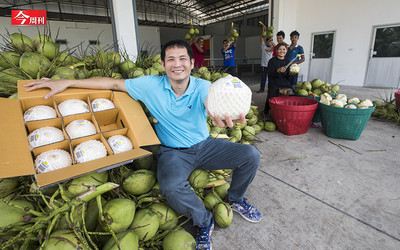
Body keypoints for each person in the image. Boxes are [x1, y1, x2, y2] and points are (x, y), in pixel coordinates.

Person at [25, 39, 262, 250]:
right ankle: (204, 220)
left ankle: (236, 199)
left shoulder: (203, 87)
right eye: (171, 59)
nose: (177, 64)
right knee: (170, 186)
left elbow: (213, 105)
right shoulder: (150, 85)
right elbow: (113, 83)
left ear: (192, 63)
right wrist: (66, 83)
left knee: (250, 155)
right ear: (163, 64)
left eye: (182, 59)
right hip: (174, 152)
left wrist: (220, 116)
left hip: (205, 145)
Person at [264, 43, 291, 119]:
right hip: (274, 82)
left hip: (285, 82)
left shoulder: (288, 62)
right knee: (272, 97)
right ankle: (266, 113)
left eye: (284, 49)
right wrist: (278, 70)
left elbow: (288, 77)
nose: (282, 51)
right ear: (276, 51)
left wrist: (292, 73)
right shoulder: (272, 61)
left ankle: (286, 112)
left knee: (292, 93)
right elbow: (270, 74)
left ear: (286, 51)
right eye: (280, 49)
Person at [258, 26, 274, 93]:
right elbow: (261, 38)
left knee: (271, 79)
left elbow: (276, 46)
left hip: (271, 66)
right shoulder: (264, 47)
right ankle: (261, 89)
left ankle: (270, 90)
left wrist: (271, 39)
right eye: (267, 42)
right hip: (264, 65)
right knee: (263, 78)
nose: (268, 43)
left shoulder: (273, 48)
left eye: (269, 42)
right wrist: (263, 31)